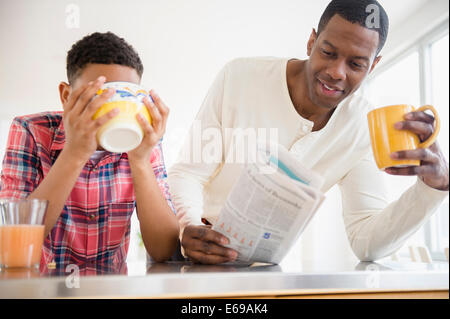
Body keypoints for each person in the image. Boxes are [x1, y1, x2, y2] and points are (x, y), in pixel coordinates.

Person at [168, 0, 449, 264]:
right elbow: (189, 172)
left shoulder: (363, 126)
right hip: (194, 255)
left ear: (373, 66)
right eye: (328, 52)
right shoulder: (239, 77)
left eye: (356, 64)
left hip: (264, 273)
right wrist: (188, 226)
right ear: (311, 41)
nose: (337, 72)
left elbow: (366, 242)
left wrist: (431, 190)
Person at [0, 32, 179, 267]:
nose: (111, 108)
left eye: (125, 96)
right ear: (66, 96)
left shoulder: (144, 141)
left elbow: (164, 249)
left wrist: (140, 160)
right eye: (99, 96)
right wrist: (75, 152)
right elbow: (13, 245)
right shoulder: (32, 130)